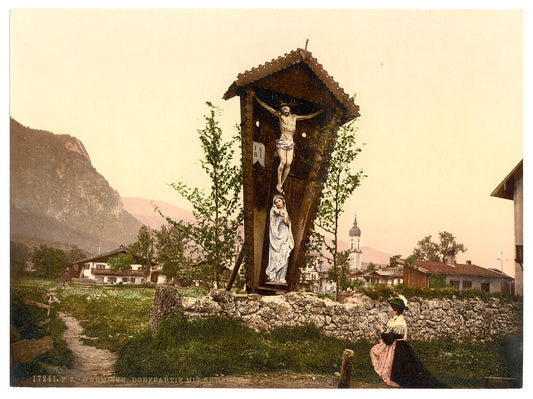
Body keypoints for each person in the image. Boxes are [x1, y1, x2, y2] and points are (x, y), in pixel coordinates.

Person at [252, 90, 323, 194]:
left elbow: (307, 116)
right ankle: (279, 182)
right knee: (283, 162)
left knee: (289, 163)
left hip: (290, 142)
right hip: (282, 141)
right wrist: (255, 97)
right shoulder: (280, 116)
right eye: (283, 108)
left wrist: (319, 112)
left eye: (286, 108)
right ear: (281, 110)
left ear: (289, 108)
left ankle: (281, 185)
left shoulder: (294, 117)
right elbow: (267, 107)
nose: (285, 109)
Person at [370, 295, 448, 388]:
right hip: (398, 345)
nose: (388, 308)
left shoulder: (398, 323)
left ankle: (395, 379)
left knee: (403, 370)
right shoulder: (396, 320)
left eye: (390, 307)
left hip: (397, 347)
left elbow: (389, 340)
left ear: (395, 311)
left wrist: (381, 330)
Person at [265, 195, 294, 284]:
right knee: (275, 256)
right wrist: (280, 218)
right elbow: (274, 222)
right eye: (276, 202)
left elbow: (288, 223)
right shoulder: (274, 211)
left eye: (279, 201)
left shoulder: (285, 211)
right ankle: (272, 274)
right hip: (277, 237)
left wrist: (287, 223)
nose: (278, 203)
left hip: (285, 236)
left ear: (283, 201)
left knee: (285, 255)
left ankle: (281, 277)